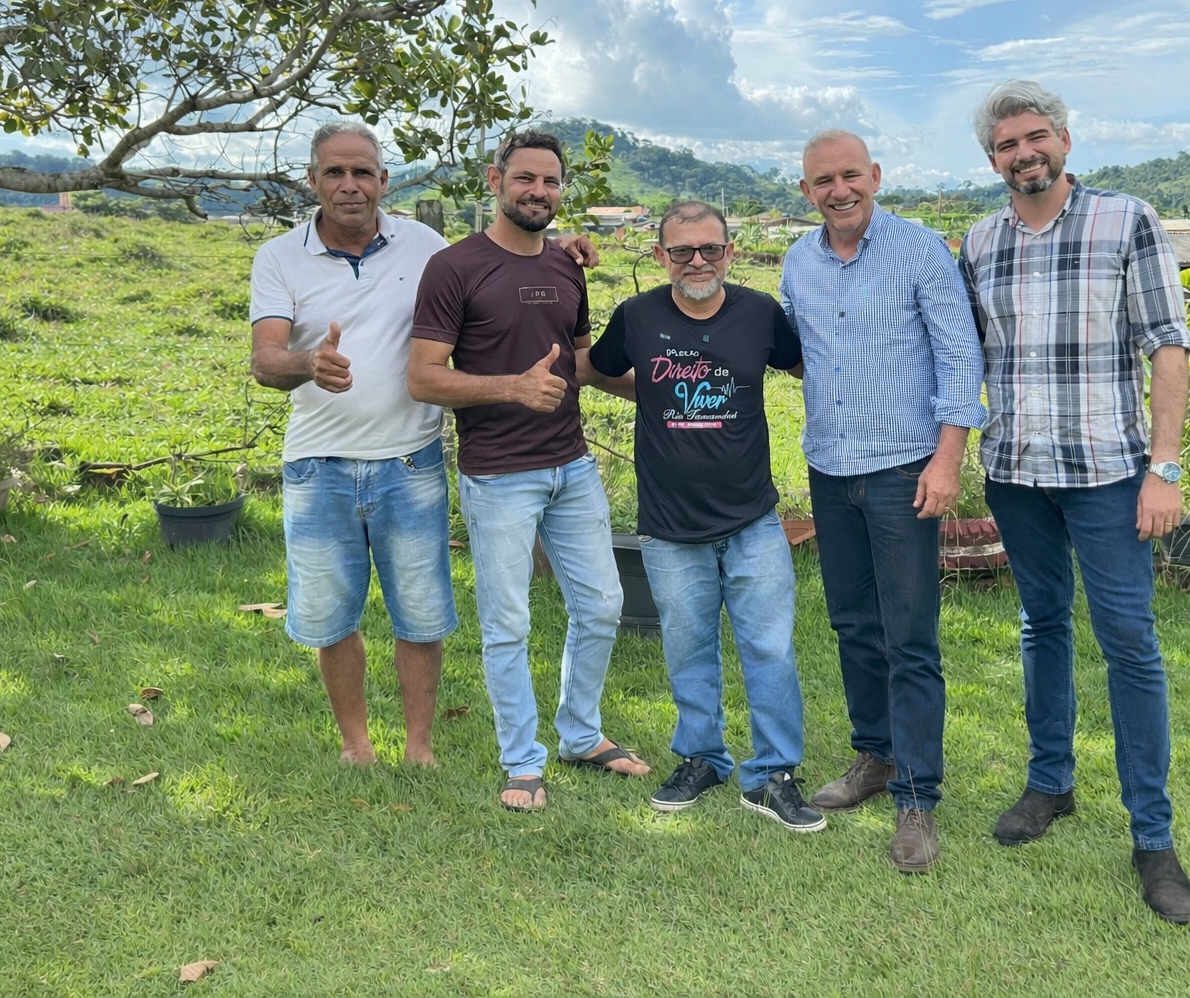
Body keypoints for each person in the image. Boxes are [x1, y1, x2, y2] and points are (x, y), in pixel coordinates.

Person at [960, 79, 1190, 923]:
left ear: (1065, 138)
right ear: (990, 159)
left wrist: (1164, 468)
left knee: (1130, 643)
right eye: (1005, 145)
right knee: (1041, 625)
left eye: (1035, 137)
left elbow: (1168, 346)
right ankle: (1049, 784)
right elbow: (963, 354)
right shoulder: (979, 241)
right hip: (1017, 473)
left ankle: (1153, 836)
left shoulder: (1125, 219)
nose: (1023, 153)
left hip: (1107, 474)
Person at [409, 130, 649, 813]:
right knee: (507, 622)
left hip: (570, 466)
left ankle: (580, 735)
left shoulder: (568, 265)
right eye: (525, 179)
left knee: (602, 605)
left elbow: (577, 366)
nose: (538, 191)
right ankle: (522, 761)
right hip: (497, 474)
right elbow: (422, 378)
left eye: (550, 182)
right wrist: (510, 389)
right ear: (495, 180)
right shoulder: (455, 268)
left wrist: (656, 387)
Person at [581, 200, 824, 833]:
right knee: (689, 650)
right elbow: (597, 370)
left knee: (768, 648)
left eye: (709, 249)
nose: (697, 261)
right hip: (668, 526)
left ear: (729, 252)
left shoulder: (759, 313)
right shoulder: (636, 315)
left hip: (752, 519)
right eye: (682, 250)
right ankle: (701, 758)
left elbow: (808, 370)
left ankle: (773, 774)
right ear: (660, 255)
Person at [780, 130, 986, 871]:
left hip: (905, 472)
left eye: (849, 176)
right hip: (832, 471)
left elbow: (961, 353)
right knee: (853, 624)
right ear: (805, 192)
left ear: (875, 176)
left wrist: (948, 457)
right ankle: (874, 758)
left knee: (910, 637)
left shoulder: (921, 249)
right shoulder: (798, 261)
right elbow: (799, 349)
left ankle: (918, 797)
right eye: (822, 181)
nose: (839, 190)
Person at [248, 121, 456, 767]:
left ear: (383, 181)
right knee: (332, 617)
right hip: (319, 468)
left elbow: (495, 278)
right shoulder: (278, 257)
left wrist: (562, 250)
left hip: (411, 460)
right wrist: (309, 364)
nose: (349, 185)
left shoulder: (426, 246)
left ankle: (419, 745)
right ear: (312, 181)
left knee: (420, 615)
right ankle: (356, 743)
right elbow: (265, 360)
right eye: (334, 172)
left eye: (362, 172)